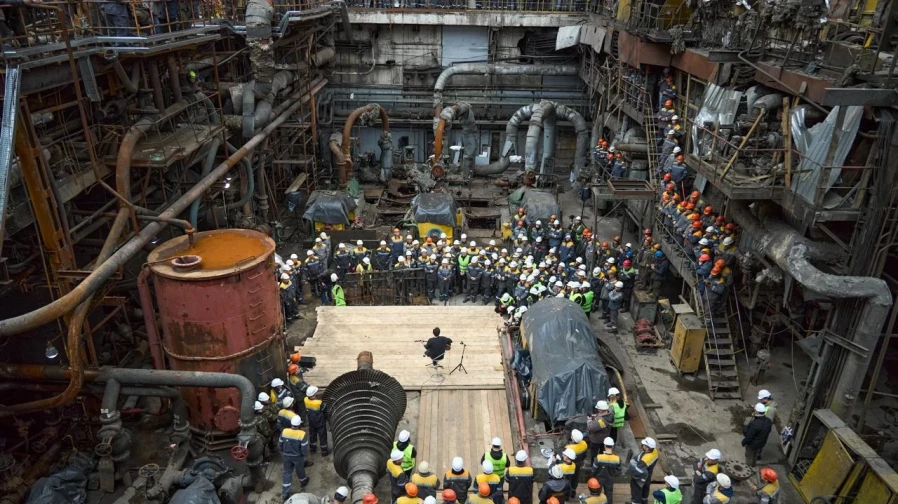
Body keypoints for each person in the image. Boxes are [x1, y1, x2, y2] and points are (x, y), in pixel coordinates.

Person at [279, 415, 310, 501]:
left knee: (287, 472)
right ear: (299, 424)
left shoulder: (284, 431)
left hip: (286, 456)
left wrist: (282, 451)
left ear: (291, 423)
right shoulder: (302, 434)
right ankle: (303, 481)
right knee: (300, 470)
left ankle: (285, 493)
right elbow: (304, 448)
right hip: (297, 457)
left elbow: (280, 443)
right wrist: (304, 455)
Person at [629, 438, 659, 504]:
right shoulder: (655, 451)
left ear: (647, 448)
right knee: (645, 489)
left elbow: (638, 471)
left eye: (644, 445)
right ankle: (644, 501)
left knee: (636, 492)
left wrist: (633, 477)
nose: (642, 445)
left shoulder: (645, 459)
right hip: (648, 475)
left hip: (640, 478)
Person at [592, 437, 621, 504]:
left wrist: (593, 476)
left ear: (604, 445)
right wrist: (613, 475)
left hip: (599, 479)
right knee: (609, 494)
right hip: (610, 479)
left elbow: (594, 469)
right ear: (612, 446)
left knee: (597, 494)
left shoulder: (599, 457)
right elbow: (619, 470)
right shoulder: (617, 458)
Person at [303, 385, 328, 456]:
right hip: (320, 423)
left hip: (311, 422)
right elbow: (324, 409)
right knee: (322, 437)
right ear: (314, 395)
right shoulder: (319, 403)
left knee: (312, 436)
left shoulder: (305, 400)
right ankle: (324, 452)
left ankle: (312, 449)